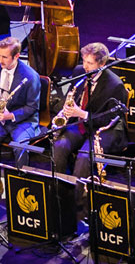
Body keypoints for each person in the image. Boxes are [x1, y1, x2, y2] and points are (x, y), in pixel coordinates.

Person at [49, 42, 128, 212]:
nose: (85, 66)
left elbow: (111, 118)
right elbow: (72, 97)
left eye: (90, 63)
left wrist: (81, 113)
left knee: (84, 157)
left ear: (102, 64)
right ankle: (59, 195)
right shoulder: (79, 72)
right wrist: (66, 110)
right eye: (84, 61)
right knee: (59, 146)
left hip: (104, 129)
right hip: (81, 124)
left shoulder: (115, 85)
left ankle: (75, 205)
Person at [0, 37, 44, 167]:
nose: (0, 60)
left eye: (5, 57)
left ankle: (20, 183)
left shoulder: (30, 77)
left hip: (22, 121)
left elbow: (32, 107)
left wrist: (10, 116)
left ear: (17, 56)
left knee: (20, 149)